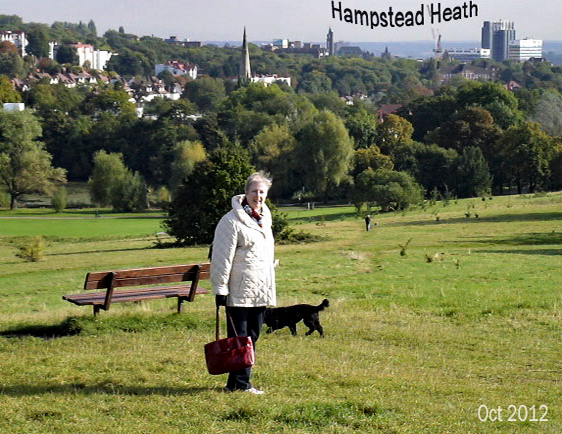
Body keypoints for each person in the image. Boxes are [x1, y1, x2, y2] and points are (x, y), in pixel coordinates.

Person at [210, 171, 276, 395]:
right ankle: (240, 384)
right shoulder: (230, 221)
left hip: (260, 289)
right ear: (246, 193)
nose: (258, 196)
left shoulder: (264, 219)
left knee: (252, 337)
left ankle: (237, 383)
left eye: (262, 192)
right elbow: (221, 258)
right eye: (254, 191)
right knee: (239, 339)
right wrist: (220, 288)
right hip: (238, 290)